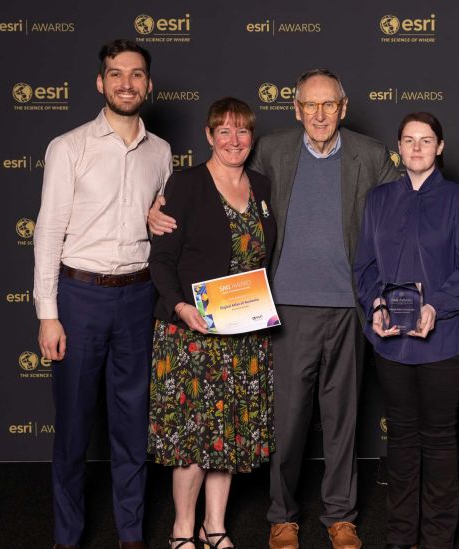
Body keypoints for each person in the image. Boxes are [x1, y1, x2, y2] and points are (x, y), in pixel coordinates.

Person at [148, 68, 459, 549]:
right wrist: (158, 204)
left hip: (349, 307)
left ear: (343, 108)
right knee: (286, 421)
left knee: (343, 418)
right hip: (284, 307)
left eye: (329, 105)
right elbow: (215, 183)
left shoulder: (371, 155)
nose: (320, 114)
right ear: (297, 110)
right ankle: (282, 514)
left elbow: (418, 194)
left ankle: (340, 515)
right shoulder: (271, 150)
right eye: (310, 105)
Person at [33, 40, 171, 549]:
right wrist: (48, 314)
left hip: (138, 298)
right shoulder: (69, 147)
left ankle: (131, 533)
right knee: (72, 426)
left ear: (148, 85)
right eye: (116, 75)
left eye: (136, 75)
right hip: (79, 296)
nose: (126, 84)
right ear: (101, 83)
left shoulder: (161, 152)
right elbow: (48, 232)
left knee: (133, 422)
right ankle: (67, 537)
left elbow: (160, 223)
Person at [354, 112, 459, 549]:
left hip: (444, 341)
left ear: (440, 147)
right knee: (402, 438)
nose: (416, 148)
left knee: (439, 438)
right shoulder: (378, 200)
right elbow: (365, 266)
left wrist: (437, 306)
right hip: (391, 344)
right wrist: (375, 304)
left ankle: (436, 538)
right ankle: (399, 536)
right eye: (409, 140)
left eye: (426, 140)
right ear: (398, 146)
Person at [148, 97, 276, 549]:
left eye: (241, 131)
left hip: (244, 334)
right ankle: (183, 527)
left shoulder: (261, 186)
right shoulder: (185, 185)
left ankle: (214, 525)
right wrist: (181, 308)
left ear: (251, 137)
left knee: (228, 437)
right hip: (192, 336)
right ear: (208, 136)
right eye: (223, 131)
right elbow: (161, 260)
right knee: (192, 439)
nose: (233, 140)